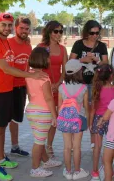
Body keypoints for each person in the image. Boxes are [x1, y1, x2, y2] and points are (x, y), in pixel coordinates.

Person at [0, 13, 47, 180]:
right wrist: (31, 76)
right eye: (3, 25)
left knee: (2, 127)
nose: (7, 28)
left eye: (9, 25)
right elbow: (6, 68)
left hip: (7, 89)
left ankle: (2, 159)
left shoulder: (6, 42)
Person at [69, 20, 108, 149]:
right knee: (78, 111)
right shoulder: (78, 44)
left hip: (95, 84)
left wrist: (98, 61)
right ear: (86, 32)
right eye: (92, 33)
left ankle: (93, 142)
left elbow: (106, 64)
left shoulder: (101, 46)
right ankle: (74, 143)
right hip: (79, 83)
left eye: (97, 33)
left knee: (93, 112)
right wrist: (82, 60)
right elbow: (70, 62)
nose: (94, 35)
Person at [25, 47, 62, 177]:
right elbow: (48, 98)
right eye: (48, 57)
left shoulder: (29, 74)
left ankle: (45, 161)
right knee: (39, 142)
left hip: (32, 109)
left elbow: (30, 94)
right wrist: (54, 115)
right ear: (43, 59)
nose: (49, 60)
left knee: (38, 138)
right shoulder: (44, 78)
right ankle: (35, 168)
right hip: (43, 112)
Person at [38, 20, 68, 158]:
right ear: (49, 32)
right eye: (56, 31)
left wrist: (58, 83)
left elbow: (65, 69)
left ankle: (49, 145)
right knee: (44, 117)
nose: (58, 34)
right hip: (43, 87)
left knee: (54, 118)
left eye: (61, 31)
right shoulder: (41, 47)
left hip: (58, 88)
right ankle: (40, 144)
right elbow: (36, 67)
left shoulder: (62, 49)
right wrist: (47, 84)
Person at [59, 59, 90, 180]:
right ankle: (77, 172)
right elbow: (86, 106)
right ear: (79, 72)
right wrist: (87, 120)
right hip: (79, 119)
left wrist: (58, 119)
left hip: (65, 118)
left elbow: (59, 105)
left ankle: (68, 172)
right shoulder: (83, 87)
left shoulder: (62, 87)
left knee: (67, 147)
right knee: (77, 147)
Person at [7, 16, 32, 157]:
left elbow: (28, 68)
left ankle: (14, 147)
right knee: (0, 120)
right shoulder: (7, 43)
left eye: (27, 29)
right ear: (15, 28)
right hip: (5, 86)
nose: (24, 31)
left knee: (16, 119)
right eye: (21, 28)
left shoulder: (28, 45)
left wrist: (29, 89)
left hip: (21, 86)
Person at [89, 64, 114, 180]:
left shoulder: (97, 90)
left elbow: (93, 109)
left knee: (97, 147)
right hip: (112, 120)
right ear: (111, 76)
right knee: (110, 146)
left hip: (98, 119)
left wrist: (90, 123)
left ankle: (95, 172)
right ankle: (109, 169)